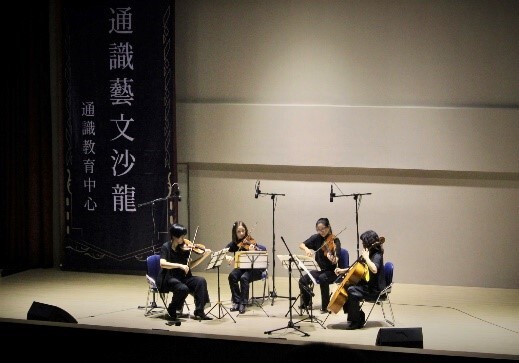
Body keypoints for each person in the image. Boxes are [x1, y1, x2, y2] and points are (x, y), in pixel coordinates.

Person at [156, 223, 213, 321]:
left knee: (200, 281)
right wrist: (180, 265)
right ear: (174, 236)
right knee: (183, 289)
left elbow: (189, 266)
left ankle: (199, 311)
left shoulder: (183, 248)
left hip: (183, 277)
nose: (184, 239)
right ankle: (172, 308)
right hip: (169, 278)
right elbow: (162, 264)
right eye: (182, 236)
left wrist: (204, 256)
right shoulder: (166, 247)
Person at [334, 229, 386, 330]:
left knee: (352, 290)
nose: (362, 244)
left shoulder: (377, 255)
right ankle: (357, 315)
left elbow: (374, 269)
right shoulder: (369, 252)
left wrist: (366, 258)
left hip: (375, 289)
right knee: (347, 285)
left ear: (368, 243)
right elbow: (356, 268)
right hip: (368, 285)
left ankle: (356, 321)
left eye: (363, 242)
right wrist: (343, 270)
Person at [298, 217, 341, 312]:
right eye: (319, 230)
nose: (321, 232)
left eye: (323, 229)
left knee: (322, 278)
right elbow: (301, 244)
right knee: (303, 280)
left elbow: (336, 259)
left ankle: (325, 306)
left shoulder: (335, 240)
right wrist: (306, 249)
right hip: (319, 270)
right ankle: (306, 303)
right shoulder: (316, 238)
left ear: (328, 227)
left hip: (332, 272)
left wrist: (333, 258)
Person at [224, 221, 267, 314]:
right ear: (235, 233)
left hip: (255, 269)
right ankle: (236, 301)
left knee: (244, 278)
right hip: (242, 268)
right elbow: (224, 251)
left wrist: (252, 251)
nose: (241, 233)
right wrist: (227, 257)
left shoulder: (251, 242)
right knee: (232, 276)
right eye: (238, 232)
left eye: (243, 231)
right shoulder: (234, 243)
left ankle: (243, 303)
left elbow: (261, 251)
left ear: (246, 231)